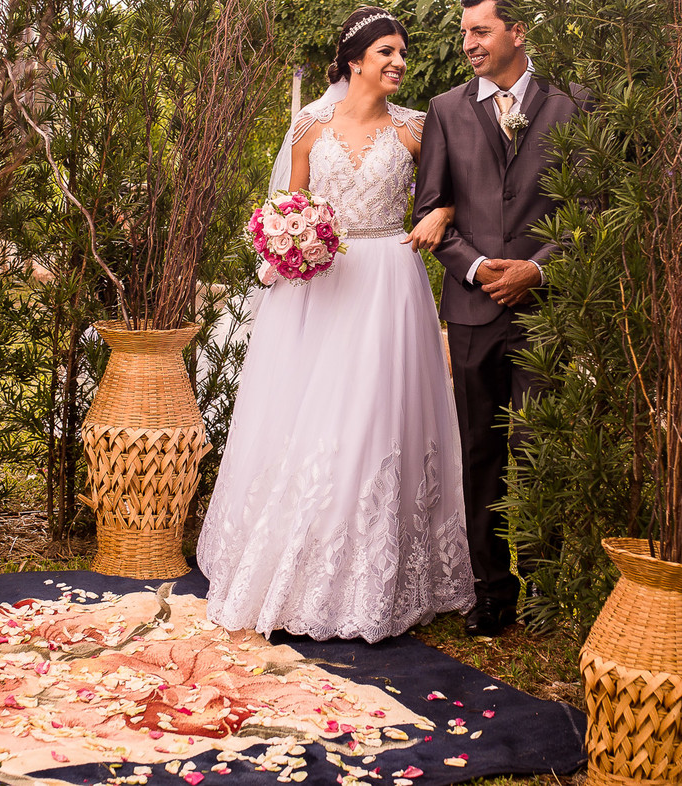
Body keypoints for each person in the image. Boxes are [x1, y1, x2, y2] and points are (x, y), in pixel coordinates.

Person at [197, 6, 476, 644]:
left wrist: (440, 215)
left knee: (374, 417)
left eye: (402, 53)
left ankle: (373, 576)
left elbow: (457, 190)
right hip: (318, 288)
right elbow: (287, 205)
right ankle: (295, 557)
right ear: (355, 62)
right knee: (311, 420)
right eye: (387, 53)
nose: (399, 63)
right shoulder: (309, 126)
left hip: (388, 284)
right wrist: (287, 240)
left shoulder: (416, 129)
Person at [413, 0, 588, 636]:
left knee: (539, 446)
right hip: (471, 309)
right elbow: (432, 209)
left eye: (480, 31)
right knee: (479, 450)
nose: (469, 44)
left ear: (518, 32)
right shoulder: (446, 111)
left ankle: (543, 587)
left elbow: (587, 210)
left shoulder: (574, 107)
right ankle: (492, 592)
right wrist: (480, 266)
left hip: (544, 310)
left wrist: (536, 269)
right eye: (464, 33)